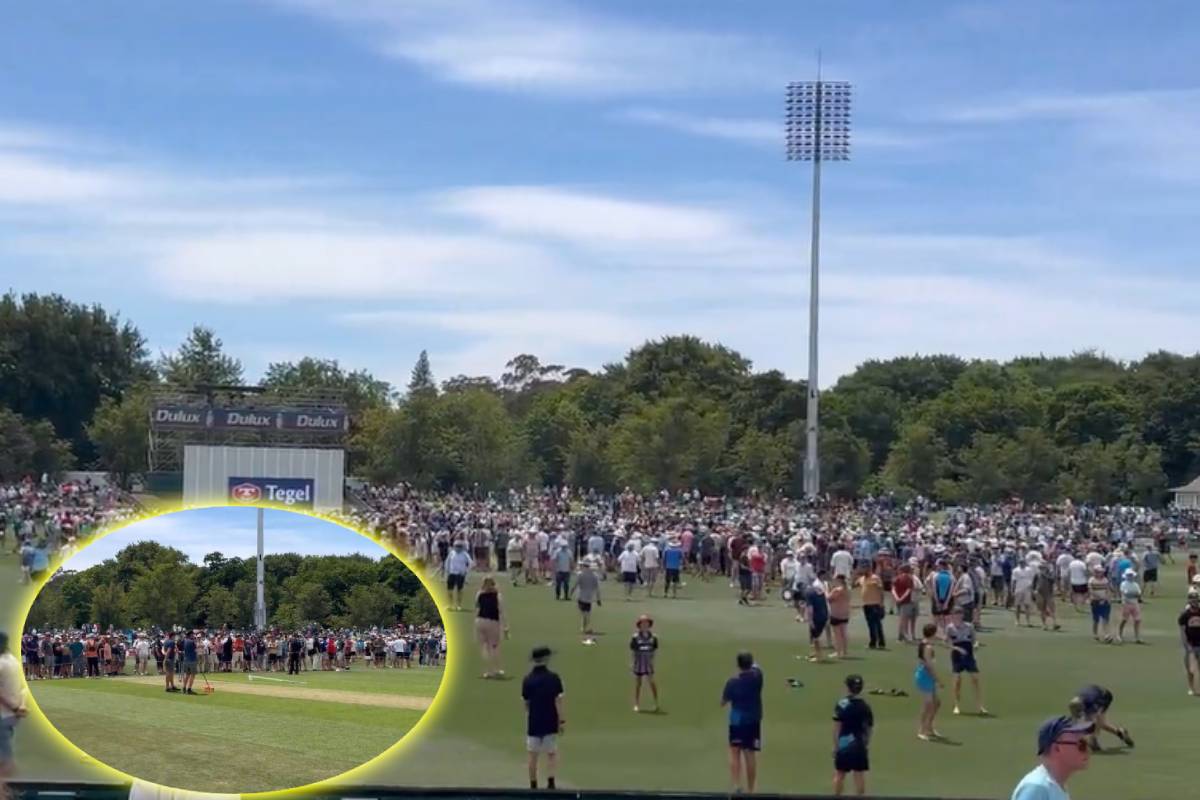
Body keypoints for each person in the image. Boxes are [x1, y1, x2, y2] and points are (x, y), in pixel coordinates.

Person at [1010, 715, 1094, 800]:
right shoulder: (1038, 788)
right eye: (1081, 745)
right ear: (1056, 749)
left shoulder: (1055, 786)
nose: (1088, 750)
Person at [522, 646, 564, 791]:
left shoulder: (528, 680)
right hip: (550, 720)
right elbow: (558, 701)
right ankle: (551, 782)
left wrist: (530, 716)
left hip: (534, 721)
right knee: (551, 753)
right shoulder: (554, 678)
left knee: (532, 755)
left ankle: (533, 785)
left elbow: (526, 703)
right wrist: (561, 720)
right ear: (546, 659)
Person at [721, 651, 763, 795]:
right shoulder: (757, 677)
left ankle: (737, 786)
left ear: (738, 665)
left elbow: (723, 702)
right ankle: (751, 790)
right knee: (750, 754)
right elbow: (757, 667)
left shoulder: (732, 682)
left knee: (734, 751)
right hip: (753, 720)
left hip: (737, 722)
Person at [831, 674, 873, 797]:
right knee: (859, 775)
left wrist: (836, 746)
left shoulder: (842, 704)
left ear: (847, 687)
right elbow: (869, 729)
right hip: (859, 744)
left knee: (839, 774)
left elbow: (837, 727)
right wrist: (865, 744)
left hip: (844, 744)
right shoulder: (865, 706)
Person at [0, 631, 30, 796]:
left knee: (5, 763)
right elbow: (22, 687)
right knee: (6, 761)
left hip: (5, 716)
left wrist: (14, 707)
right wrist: (20, 706)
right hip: (9, 716)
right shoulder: (13, 661)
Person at [947, 607, 988, 716]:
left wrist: (976, 645)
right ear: (952, 615)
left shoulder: (969, 626)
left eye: (960, 614)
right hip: (957, 654)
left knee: (975, 679)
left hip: (968, 653)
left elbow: (975, 639)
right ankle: (956, 705)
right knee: (957, 680)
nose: (958, 616)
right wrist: (956, 649)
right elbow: (948, 643)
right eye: (956, 614)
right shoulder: (950, 628)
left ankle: (980, 705)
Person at [1073, 684, 1133, 752]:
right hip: (1095, 696)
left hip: (1105, 697)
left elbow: (1096, 719)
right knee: (1102, 723)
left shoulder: (1090, 701)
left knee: (1098, 720)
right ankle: (1120, 732)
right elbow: (1077, 720)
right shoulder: (1075, 703)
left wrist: (1092, 737)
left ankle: (1094, 739)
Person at [475, 577, 508, 679]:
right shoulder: (497, 596)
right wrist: (506, 626)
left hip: (480, 620)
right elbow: (501, 611)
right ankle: (496, 669)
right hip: (493, 621)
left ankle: (487, 670)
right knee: (494, 646)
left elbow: (477, 606)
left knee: (485, 647)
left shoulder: (479, 594)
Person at [914, 623, 943, 741]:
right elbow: (928, 666)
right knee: (929, 704)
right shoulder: (928, 647)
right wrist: (938, 680)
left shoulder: (925, 642)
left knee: (936, 703)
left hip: (926, 675)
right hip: (925, 676)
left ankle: (929, 727)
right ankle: (921, 730)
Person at [630, 615, 659, 713]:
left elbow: (654, 650)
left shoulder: (653, 637)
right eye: (643, 623)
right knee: (638, 684)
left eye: (646, 623)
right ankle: (636, 704)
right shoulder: (635, 637)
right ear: (640, 625)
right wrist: (633, 663)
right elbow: (633, 651)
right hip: (639, 663)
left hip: (648, 664)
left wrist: (652, 662)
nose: (645, 625)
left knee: (652, 682)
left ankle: (656, 703)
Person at [856, 563, 885, 650]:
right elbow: (855, 583)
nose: (863, 570)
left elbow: (881, 590)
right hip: (866, 604)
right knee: (871, 624)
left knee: (875, 624)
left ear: (869, 569)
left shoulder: (875, 578)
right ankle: (877, 642)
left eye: (864, 569)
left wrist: (881, 603)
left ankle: (876, 642)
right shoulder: (862, 579)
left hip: (875, 604)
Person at [1178, 588, 1200, 696]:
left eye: (1196, 599)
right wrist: (1186, 645)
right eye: (1192, 599)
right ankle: (1191, 688)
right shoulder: (1185, 615)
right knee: (1190, 668)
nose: (1194, 601)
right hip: (1190, 645)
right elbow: (1182, 631)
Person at [573, 559, 601, 637]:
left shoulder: (580, 574)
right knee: (586, 614)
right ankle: (584, 628)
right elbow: (597, 588)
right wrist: (598, 599)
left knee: (584, 614)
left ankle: (585, 628)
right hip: (589, 598)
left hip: (581, 597)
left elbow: (575, 585)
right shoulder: (594, 576)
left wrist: (571, 592)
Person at [1086, 566, 1113, 643]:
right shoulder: (1091, 580)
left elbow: (1108, 590)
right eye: (1099, 572)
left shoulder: (1105, 580)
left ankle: (1107, 635)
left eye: (1101, 572)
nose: (1101, 573)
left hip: (1105, 601)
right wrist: (1100, 598)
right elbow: (1091, 591)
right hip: (1095, 601)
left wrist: (1107, 598)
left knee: (1105, 618)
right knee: (1096, 619)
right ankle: (1095, 634)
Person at [1116, 569, 1143, 645]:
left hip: (1135, 604)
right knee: (1124, 620)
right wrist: (1133, 594)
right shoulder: (1123, 584)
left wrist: (1134, 595)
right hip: (1126, 604)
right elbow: (1125, 593)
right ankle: (1119, 635)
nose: (1130, 577)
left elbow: (1138, 594)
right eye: (1129, 575)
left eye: (1131, 575)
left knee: (1137, 620)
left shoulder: (1135, 584)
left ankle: (1137, 637)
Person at [892, 563, 917, 643]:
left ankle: (902, 636)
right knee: (903, 619)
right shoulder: (909, 579)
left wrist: (897, 598)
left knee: (901, 618)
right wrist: (902, 598)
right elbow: (909, 590)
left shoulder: (896, 578)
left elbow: (893, 589)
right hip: (906, 601)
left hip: (898, 601)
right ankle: (901, 637)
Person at [445, 541, 473, 611]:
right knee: (449, 590)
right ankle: (450, 605)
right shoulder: (451, 553)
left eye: (459, 546)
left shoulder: (465, 554)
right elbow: (447, 562)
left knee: (459, 590)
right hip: (452, 574)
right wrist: (447, 571)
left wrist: (465, 571)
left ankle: (459, 605)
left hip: (460, 574)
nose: (457, 548)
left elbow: (471, 563)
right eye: (456, 546)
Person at [181, 631, 199, 695]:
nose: (193, 636)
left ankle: (184, 688)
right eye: (192, 635)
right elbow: (195, 650)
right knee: (192, 675)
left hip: (186, 660)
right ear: (190, 635)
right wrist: (197, 659)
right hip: (192, 660)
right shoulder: (192, 642)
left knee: (187, 675)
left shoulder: (184, 641)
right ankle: (189, 689)